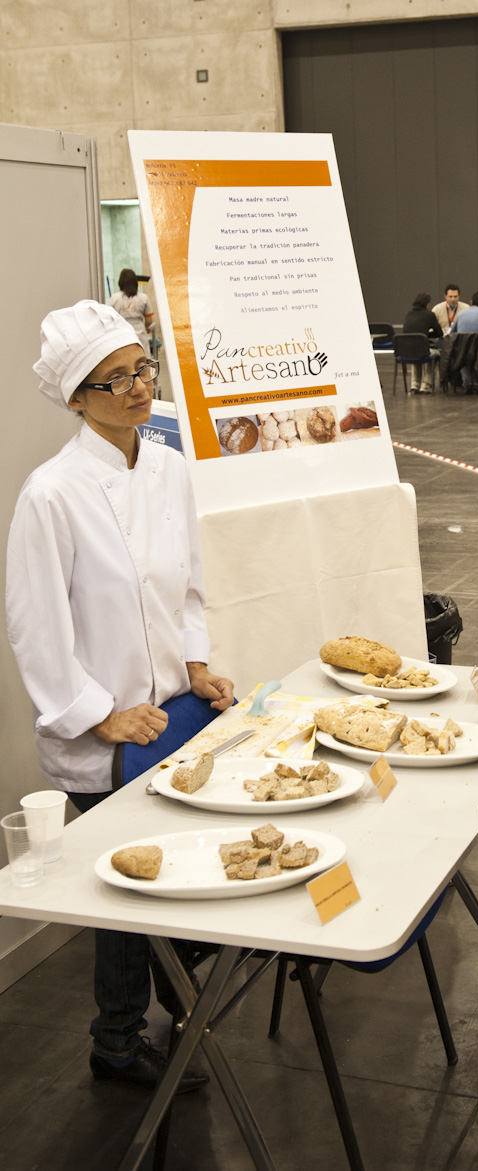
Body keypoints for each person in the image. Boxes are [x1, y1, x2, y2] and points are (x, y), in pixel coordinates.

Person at [6, 300, 234, 1091]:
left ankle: (181, 994)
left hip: (174, 715)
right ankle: (116, 1038)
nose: (139, 388)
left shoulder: (168, 467)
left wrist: (197, 663)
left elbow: (191, 587)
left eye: (143, 369)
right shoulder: (51, 494)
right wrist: (97, 713)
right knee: (124, 887)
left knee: (174, 865)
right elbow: (36, 627)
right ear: (77, 397)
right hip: (102, 738)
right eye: (116, 380)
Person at [450, 291, 478, 393]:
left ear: (471, 302)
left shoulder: (460, 313)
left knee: (464, 357)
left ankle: (467, 383)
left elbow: (452, 332)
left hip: (461, 352)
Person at [402, 292, 443, 393]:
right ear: (427, 303)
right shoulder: (429, 315)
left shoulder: (408, 314)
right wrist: (426, 334)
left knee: (416, 351)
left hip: (406, 352)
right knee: (435, 354)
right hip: (422, 350)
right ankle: (426, 384)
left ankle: (415, 384)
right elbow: (439, 333)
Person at [109, 268, 154, 354]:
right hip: (140, 336)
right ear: (135, 281)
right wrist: (146, 327)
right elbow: (149, 320)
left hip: (121, 336)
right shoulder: (143, 297)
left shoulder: (114, 298)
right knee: (143, 362)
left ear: (120, 282)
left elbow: (110, 319)